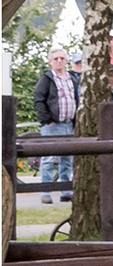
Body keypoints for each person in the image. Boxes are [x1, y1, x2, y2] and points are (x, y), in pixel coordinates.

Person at [32, 46, 80, 203]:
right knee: (48, 158)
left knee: (67, 159)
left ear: (66, 61)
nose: (59, 61)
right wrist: (47, 120)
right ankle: (45, 192)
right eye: (56, 59)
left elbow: (76, 99)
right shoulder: (46, 78)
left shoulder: (72, 79)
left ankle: (66, 191)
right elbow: (39, 100)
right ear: (50, 62)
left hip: (68, 124)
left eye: (62, 58)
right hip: (53, 125)